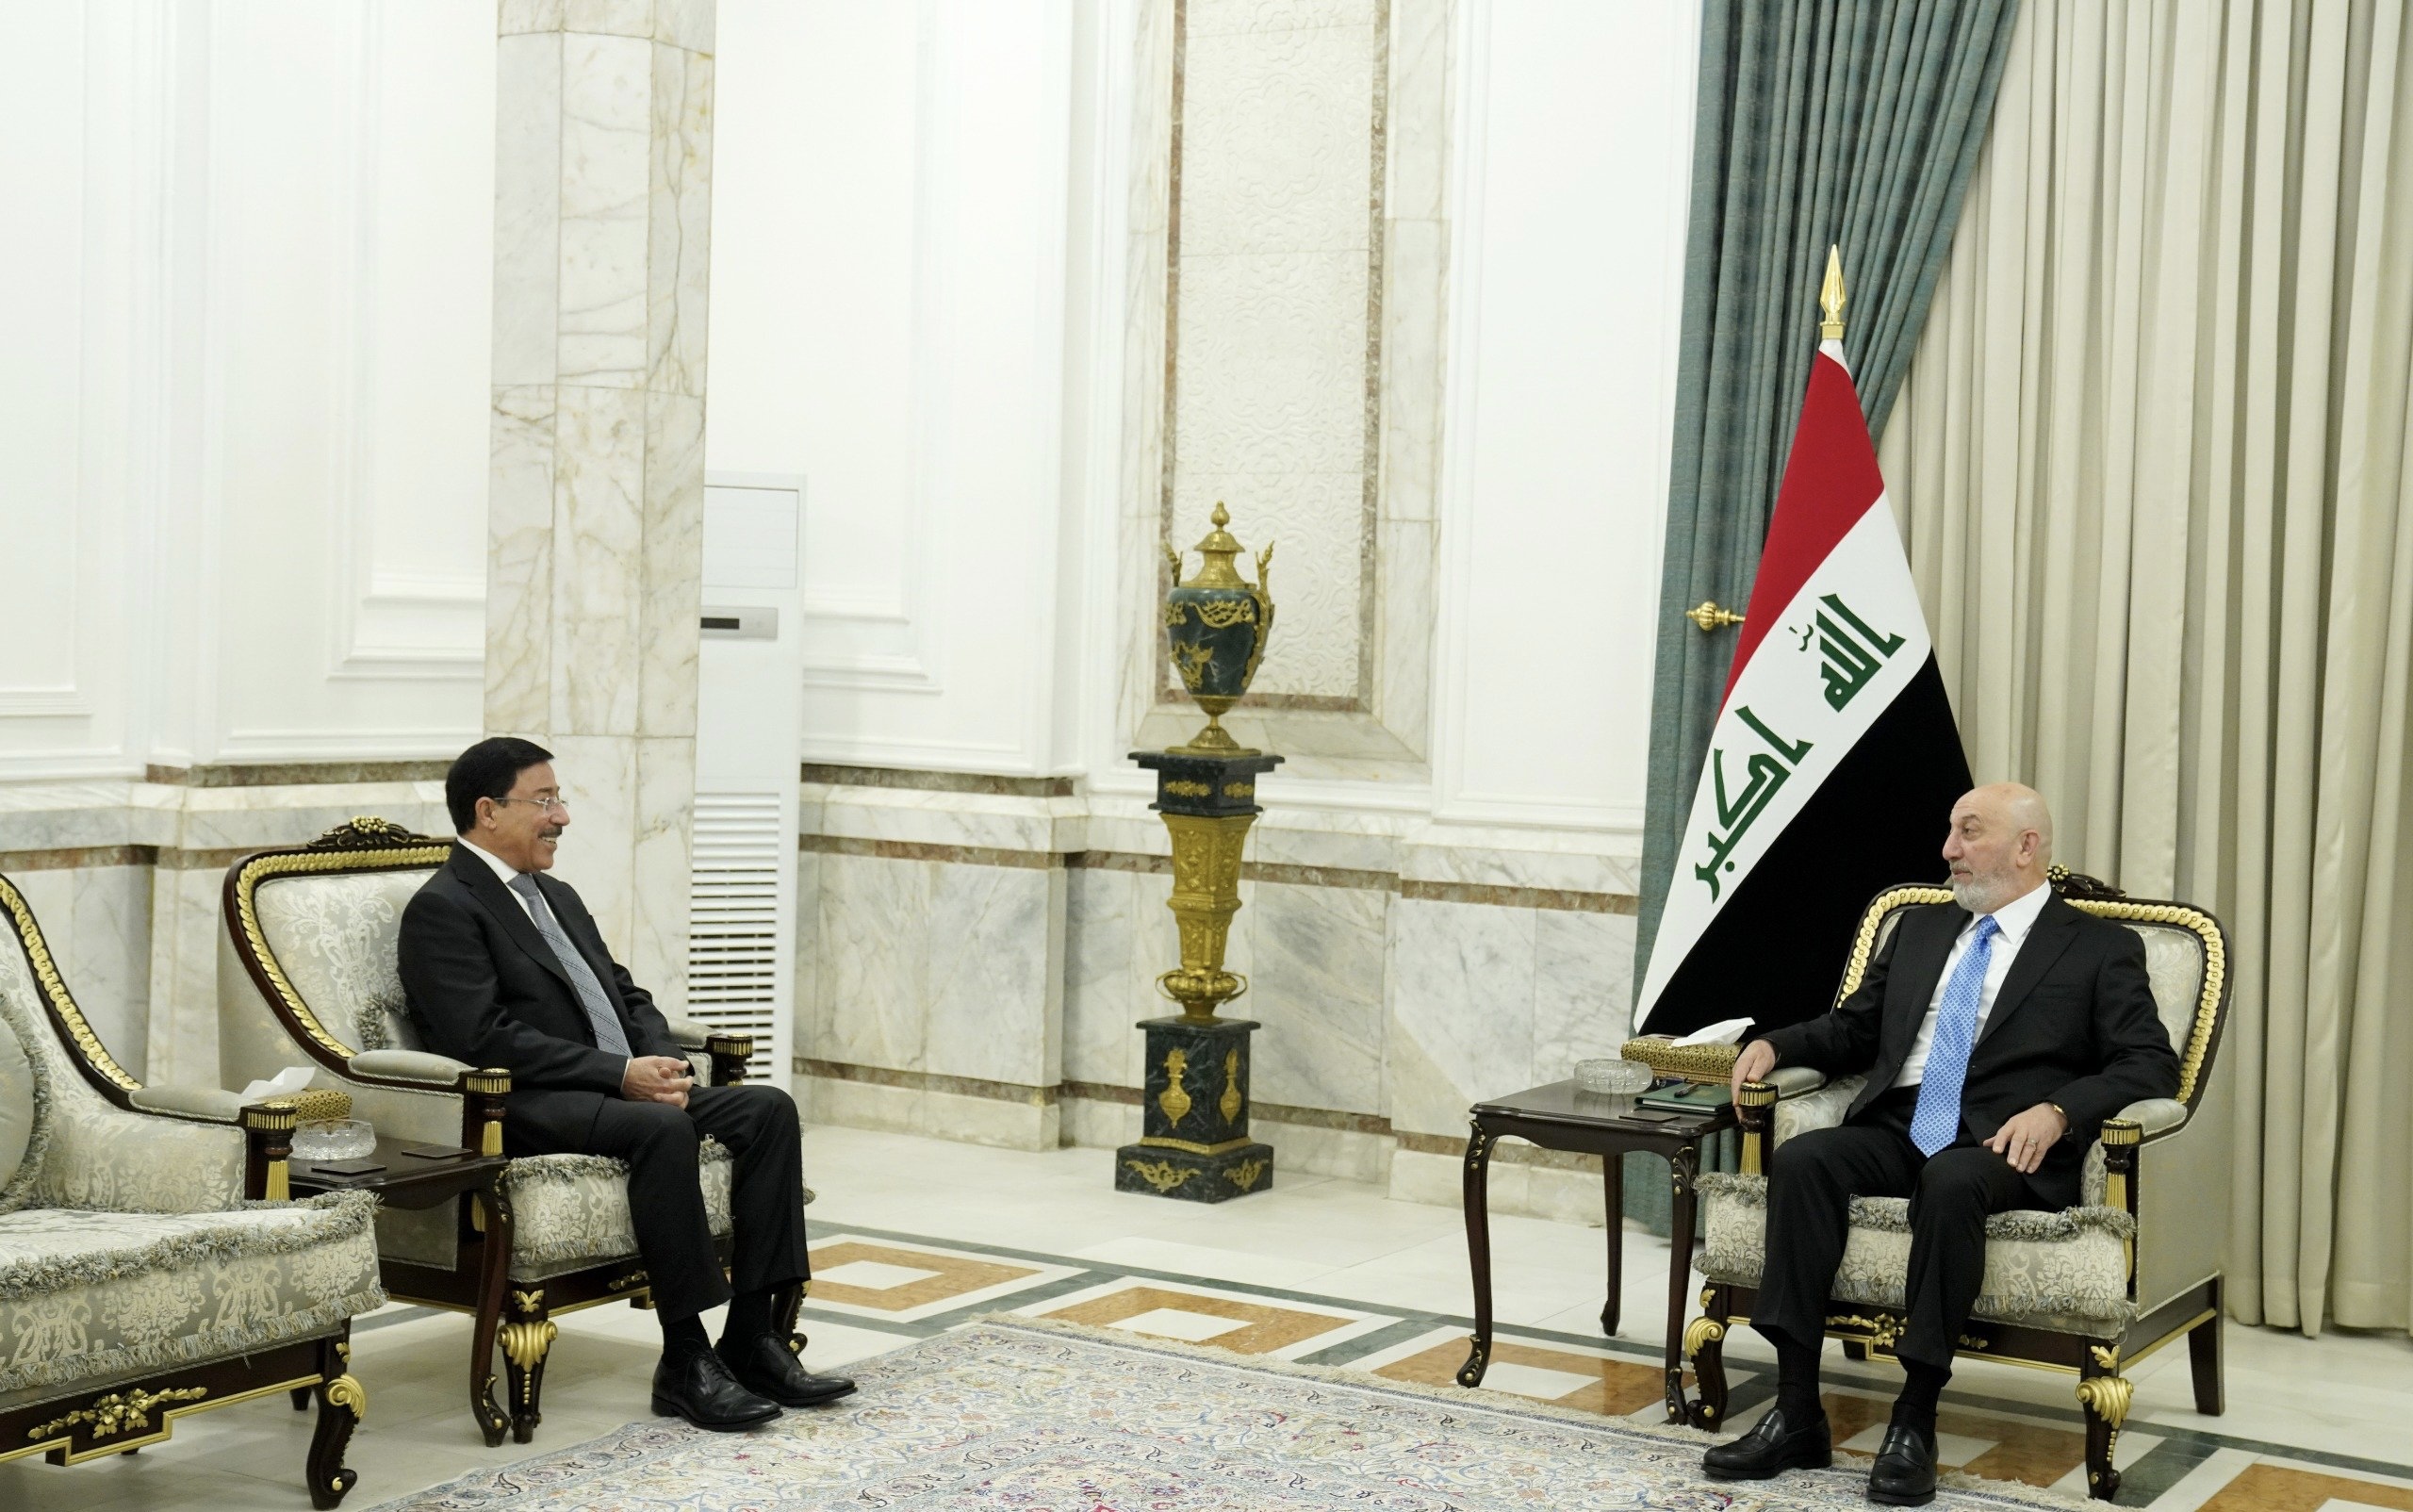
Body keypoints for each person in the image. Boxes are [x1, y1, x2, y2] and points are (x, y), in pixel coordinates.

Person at [1701, 783, 2178, 1505]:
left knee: (1953, 1182)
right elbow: (1854, 1030)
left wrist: (2058, 1111)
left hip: (2000, 1142)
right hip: (1901, 1123)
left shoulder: (2098, 946)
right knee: (1805, 1159)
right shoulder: (1922, 929)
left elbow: (2148, 1063)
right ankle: (1796, 1411)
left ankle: (1913, 1421)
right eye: (1951, 831)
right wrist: (1776, 1044)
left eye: (1969, 832)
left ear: (2026, 846)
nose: (1949, 849)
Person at [399, 736, 854, 1431]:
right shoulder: (444, 907)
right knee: (660, 1126)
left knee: (767, 1110)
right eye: (544, 801)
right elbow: (482, 1038)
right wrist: (618, 1073)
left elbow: (623, 993)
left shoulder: (555, 896)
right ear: (488, 811)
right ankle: (686, 1359)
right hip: (524, 1105)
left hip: (617, 1089)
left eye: (559, 800)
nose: (562, 817)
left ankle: (753, 1337)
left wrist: (663, 1063)